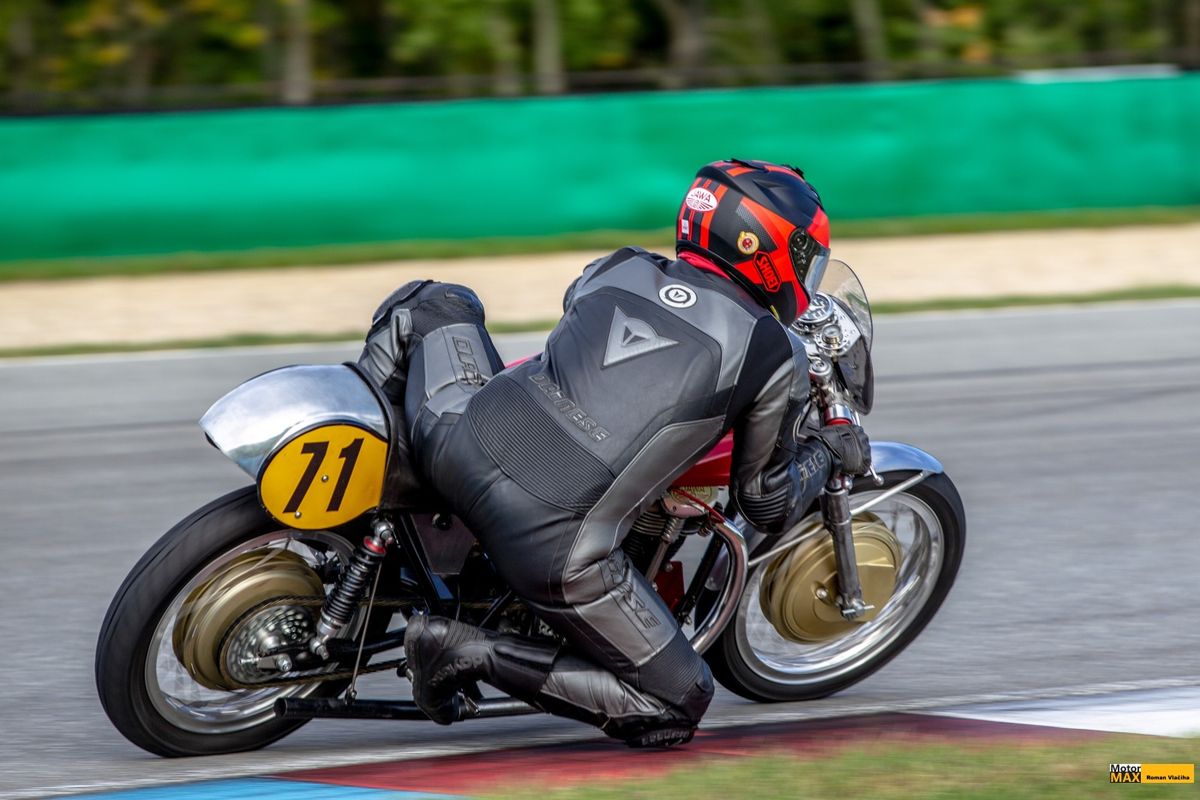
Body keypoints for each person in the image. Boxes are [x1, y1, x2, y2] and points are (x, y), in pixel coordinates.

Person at [356, 159, 872, 748]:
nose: (806, 271)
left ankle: (367, 490)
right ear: (765, 246)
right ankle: (464, 651)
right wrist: (831, 450)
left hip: (455, 437)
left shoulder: (621, 265)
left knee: (436, 302)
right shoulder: (771, 349)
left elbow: (583, 308)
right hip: (550, 541)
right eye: (804, 255)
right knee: (676, 702)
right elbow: (766, 504)